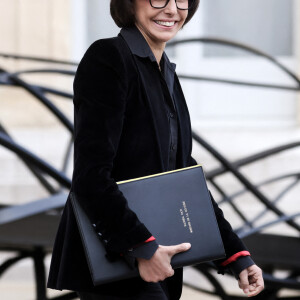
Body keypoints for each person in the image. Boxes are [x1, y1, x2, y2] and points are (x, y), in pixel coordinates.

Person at [47, 0, 264, 299]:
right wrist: (141, 248)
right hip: (120, 257)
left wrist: (235, 255)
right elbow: (91, 175)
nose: (173, 9)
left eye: (181, 0)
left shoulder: (165, 73)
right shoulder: (108, 58)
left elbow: (183, 177)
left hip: (159, 257)